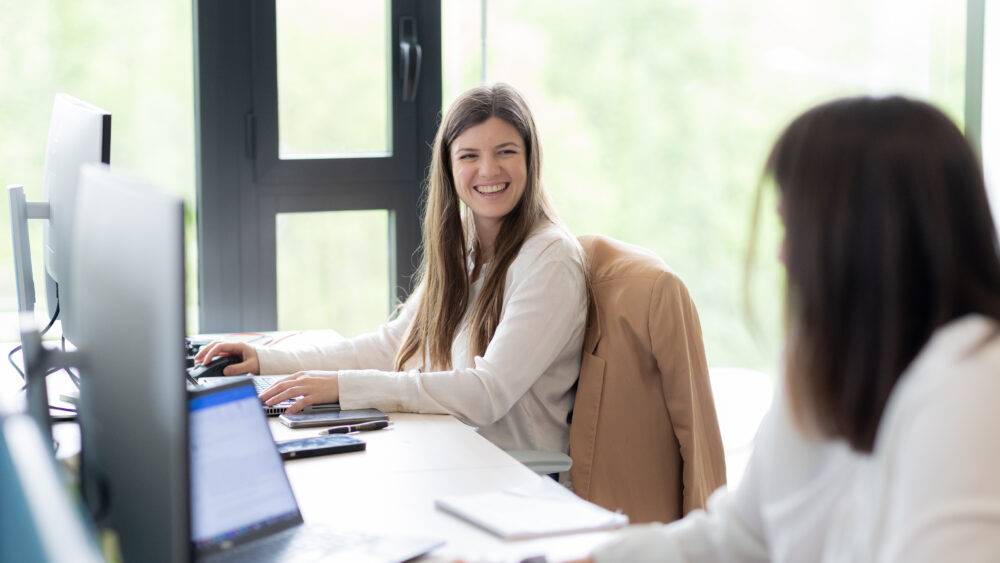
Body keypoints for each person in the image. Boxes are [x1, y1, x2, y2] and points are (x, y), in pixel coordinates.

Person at [571, 96, 1000, 562]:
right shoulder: (822, 365)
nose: (783, 255)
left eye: (793, 226)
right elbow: (741, 538)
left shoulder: (972, 378)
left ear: (863, 239)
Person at [194, 83, 588, 454]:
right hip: (450, 449)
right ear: (449, 168)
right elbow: (393, 346)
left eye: (505, 152)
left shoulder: (549, 259)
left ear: (530, 159)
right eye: (469, 155)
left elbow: (487, 394)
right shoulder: (467, 240)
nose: (488, 170)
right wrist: (266, 362)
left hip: (513, 477)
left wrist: (344, 387)